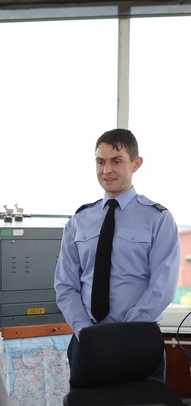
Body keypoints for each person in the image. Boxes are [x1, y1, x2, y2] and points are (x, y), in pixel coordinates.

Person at [54, 128, 179, 382]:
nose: (106, 170)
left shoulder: (158, 219)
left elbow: (162, 287)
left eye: (116, 161)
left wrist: (125, 333)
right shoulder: (79, 220)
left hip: (138, 339)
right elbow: (65, 286)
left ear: (136, 163)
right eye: (100, 162)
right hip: (87, 342)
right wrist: (85, 332)